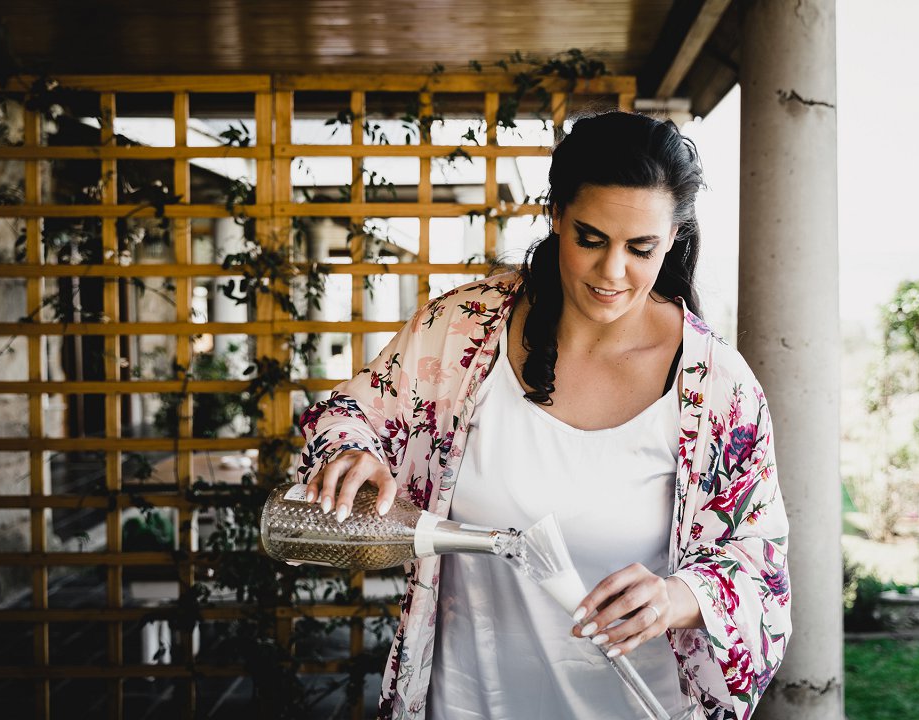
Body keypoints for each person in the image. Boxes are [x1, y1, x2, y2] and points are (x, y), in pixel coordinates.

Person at [296, 111, 791, 720]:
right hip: (466, 702)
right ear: (556, 214)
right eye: (591, 239)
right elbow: (351, 414)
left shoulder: (717, 388)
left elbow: (761, 567)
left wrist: (679, 596)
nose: (612, 272)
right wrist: (353, 452)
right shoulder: (462, 331)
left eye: (641, 248)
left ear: (672, 237)